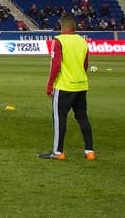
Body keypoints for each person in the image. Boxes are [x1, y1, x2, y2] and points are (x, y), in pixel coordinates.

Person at [40, 14, 95, 160]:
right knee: (83, 117)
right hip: (81, 85)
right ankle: (89, 151)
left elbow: (56, 65)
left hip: (64, 86)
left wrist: (50, 85)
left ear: (63, 25)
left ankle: (58, 152)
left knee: (60, 118)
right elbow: (85, 64)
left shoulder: (59, 40)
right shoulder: (83, 41)